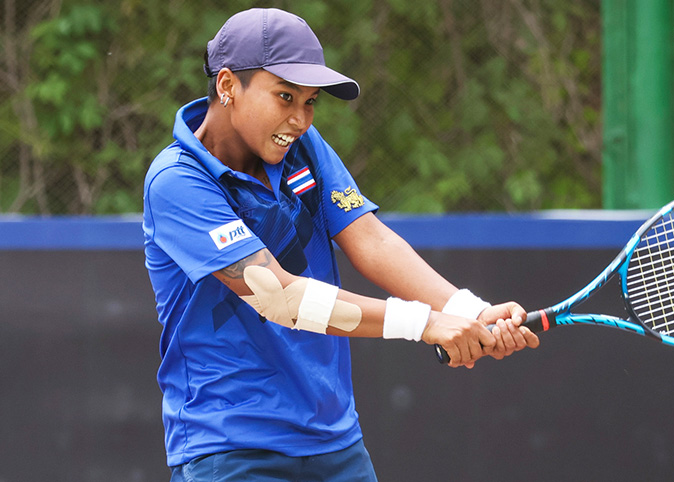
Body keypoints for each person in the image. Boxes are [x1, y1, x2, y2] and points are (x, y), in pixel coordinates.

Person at [143, 8, 539, 481]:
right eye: (285, 96)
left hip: (336, 442)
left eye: (310, 102)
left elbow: (369, 239)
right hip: (231, 449)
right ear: (228, 85)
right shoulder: (176, 181)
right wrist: (426, 322)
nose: (300, 119)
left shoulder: (300, 148)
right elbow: (278, 297)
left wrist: (468, 310)